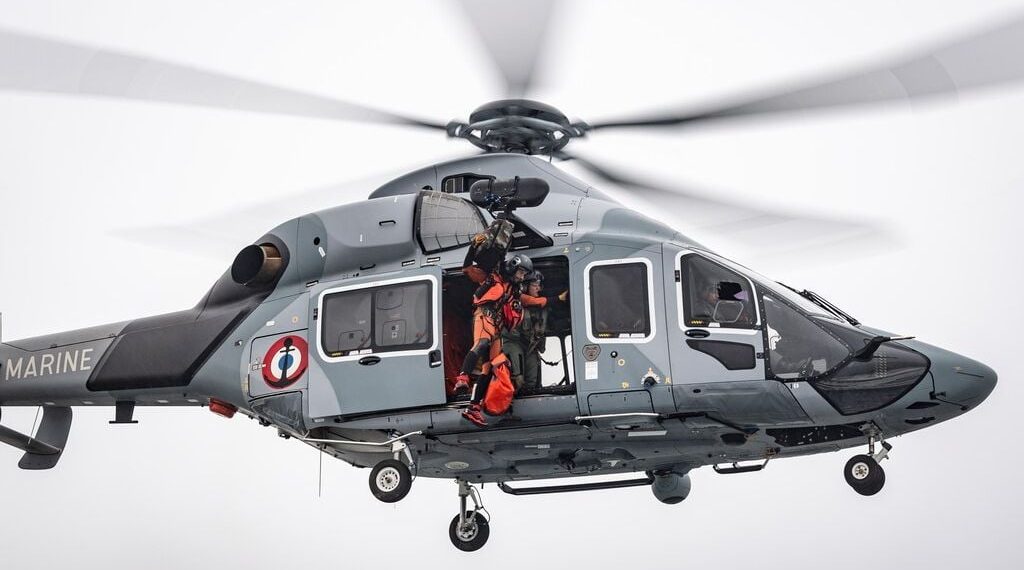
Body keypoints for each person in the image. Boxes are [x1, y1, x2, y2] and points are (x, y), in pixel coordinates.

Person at [456, 251, 533, 427]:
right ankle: (463, 377)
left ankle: (474, 407)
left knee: (489, 368)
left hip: (497, 327)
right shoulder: (492, 278)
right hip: (484, 316)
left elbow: (522, 303)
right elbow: (467, 269)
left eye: (524, 274)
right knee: (481, 344)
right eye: (521, 272)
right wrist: (473, 249)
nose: (522, 277)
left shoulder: (513, 290)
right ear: (513, 266)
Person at [503, 271, 566, 394]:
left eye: (539, 285)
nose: (538, 288)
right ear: (525, 286)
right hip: (513, 343)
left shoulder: (544, 310)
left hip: (530, 347)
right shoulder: (515, 303)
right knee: (517, 379)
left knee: (532, 382)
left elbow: (554, 324)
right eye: (534, 285)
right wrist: (558, 298)